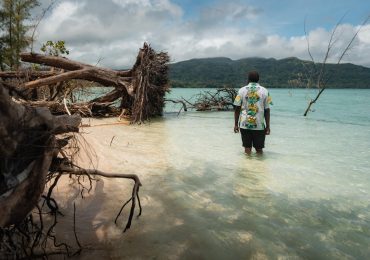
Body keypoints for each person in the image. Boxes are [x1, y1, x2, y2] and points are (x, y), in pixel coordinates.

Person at [233, 71, 272, 155]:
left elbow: (237, 108)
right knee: (259, 150)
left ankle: (247, 167)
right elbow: (267, 110)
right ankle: (259, 167)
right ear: (258, 79)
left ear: (248, 79)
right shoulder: (265, 91)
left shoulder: (241, 90)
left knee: (247, 150)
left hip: (244, 124)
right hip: (259, 125)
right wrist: (268, 126)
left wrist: (236, 124)